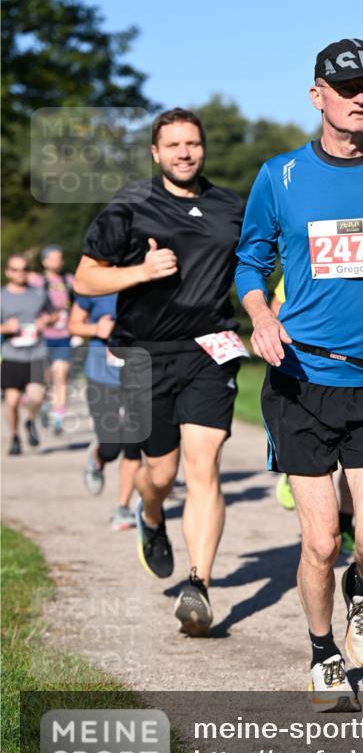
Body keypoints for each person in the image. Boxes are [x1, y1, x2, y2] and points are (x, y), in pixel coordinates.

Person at [236, 37, 363, 710]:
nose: (362, 98)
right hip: (300, 382)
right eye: (348, 87)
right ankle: (323, 652)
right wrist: (260, 315)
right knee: (321, 540)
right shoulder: (281, 176)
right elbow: (250, 261)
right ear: (316, 95)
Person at [73, 108, 246, 636]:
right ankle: (150, 514)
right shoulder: (130, 205)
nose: (184, 153)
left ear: (204, 148)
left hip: (210, 350)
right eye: (173, 145)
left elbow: (255, 268)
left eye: (192, 143)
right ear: (155, 152)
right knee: (161, 475)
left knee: (204, 466)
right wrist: (141, 272)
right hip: (145, 354)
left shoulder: (231, 207)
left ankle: (199, 585)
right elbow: (85, 280)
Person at [271, 274, 356, 550]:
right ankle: (297, 474)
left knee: (357, 461)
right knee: (321, 457)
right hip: (312, 371)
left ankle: (346, 521)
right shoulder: (311, 257)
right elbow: (277, 305)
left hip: (361, 371)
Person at [69, 294, 142, 530]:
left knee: (133, 443)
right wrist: (95, 328)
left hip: (139, 377)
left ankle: (122, 507)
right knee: (111, 447)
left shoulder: (148, 284)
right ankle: (98, 456)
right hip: (102, 377)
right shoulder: (96, 285)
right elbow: (73, 325)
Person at [1, 255, 51, 454]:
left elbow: (55, 313)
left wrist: (46, 321)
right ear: (7, 272)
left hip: (36, 353)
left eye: (23, 269)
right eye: (15, 269)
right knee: (12, 402)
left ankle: (30, 421)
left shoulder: (39, 294)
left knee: (36, 397)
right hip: (12, 356)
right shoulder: (2, 296)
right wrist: (5, 327)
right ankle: (14, 437)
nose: (19, 273)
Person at [31, 245, 75, 435]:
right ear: (45, 261)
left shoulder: (69, 280)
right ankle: (44, 406)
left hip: (64, 336)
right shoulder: (36, 281)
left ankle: (58, 418)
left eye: (60, 257)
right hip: (43, 338)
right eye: (54, 258)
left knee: (61, 375)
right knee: (45, 379)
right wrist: (42, 320)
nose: (59, 261)